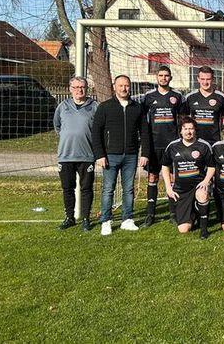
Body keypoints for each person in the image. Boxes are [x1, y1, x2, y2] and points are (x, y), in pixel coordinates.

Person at [91, 75, 150, 236]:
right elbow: (96, 132)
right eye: (121, 85)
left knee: (128, 189)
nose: (124, 88)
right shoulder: (105, 107)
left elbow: (144, 132)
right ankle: (106, 221)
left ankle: (127, 219)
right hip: (110, 155)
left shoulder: (137, 107)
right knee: (108, 189)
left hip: (131, 155)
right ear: (114, 87)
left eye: (126, 86)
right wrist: (100, 155)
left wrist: (144, 153)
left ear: (130, 87)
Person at [52, 76, 98, 231]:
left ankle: (86, 219)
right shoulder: (63, 106)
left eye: (82, 87)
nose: (79, 90)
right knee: (67, 188)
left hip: (87, 155)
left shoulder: (94, 106)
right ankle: (69, 218)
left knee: (86, 188)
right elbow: (57, 126)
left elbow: (99, 129)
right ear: (70, 89)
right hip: (66, 156)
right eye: (76, 87)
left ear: (87, 88)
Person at [141, 65, 183, 227]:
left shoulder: (177, 96)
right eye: (161, 75)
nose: (163, 78)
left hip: (171, 145)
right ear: (156, 77)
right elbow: (144, 121)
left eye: (166, 75)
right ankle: (150, 214)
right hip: (154, 144)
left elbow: (182, 119)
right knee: (153, 177)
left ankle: (173, 213)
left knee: (172, 178)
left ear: (170, 77)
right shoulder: (149, 96)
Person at [161, 117, 215, 239]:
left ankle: (204, 230)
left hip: (198, 185)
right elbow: (165, 166)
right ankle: (195, 210)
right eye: (185, 129)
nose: (188, 132)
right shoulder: (173, 146)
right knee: (183, 229)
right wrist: (168, 187)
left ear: (195, 130)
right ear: (180, 131)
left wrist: (206, 181)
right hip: (181, 189)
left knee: (202, 194)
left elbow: (212, 167)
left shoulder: (203, 145)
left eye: (191, 129)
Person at [181, 66, 224, 144]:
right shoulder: (189, 97)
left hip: (214, 140)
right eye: (202, 79)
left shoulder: (222, 98)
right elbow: (184, 119)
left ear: (213, 79)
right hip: (194, 140)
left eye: (208, 79)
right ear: (198, 79)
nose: (205, 82)